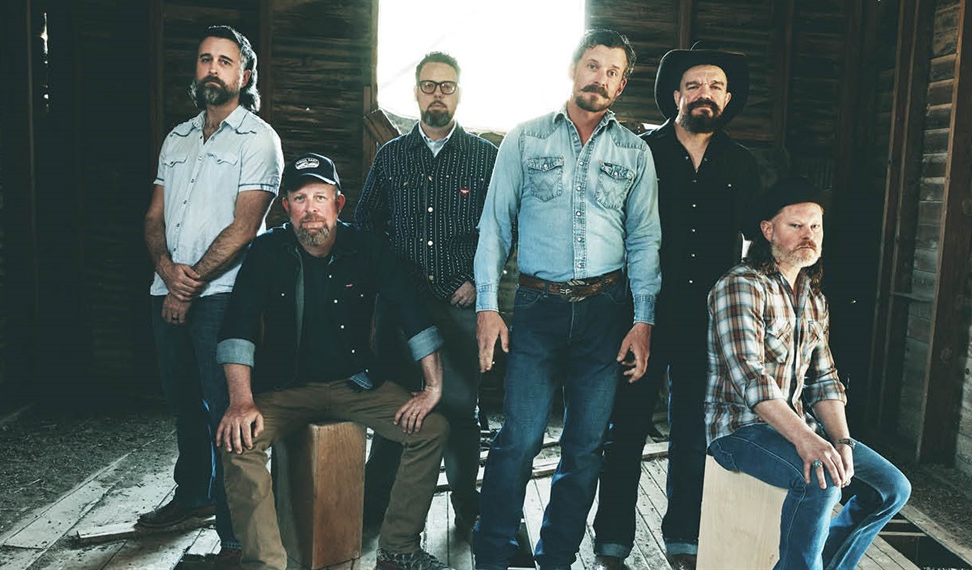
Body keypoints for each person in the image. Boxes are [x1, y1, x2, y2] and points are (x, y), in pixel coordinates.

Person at [472, 29, 661, 570]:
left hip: (607, 313)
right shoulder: (526, 139)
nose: (599, 77)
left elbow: (646, 239)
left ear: (621, 85)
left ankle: (557, 556)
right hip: (537, 309)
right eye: (592, 64)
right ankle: (492, 552)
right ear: (574, 68)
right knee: (520, 438)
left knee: (584, 447)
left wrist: (642, 321)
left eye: (611, 71)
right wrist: (488, 307)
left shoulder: (635, 153)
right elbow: (495, 227)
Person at [215, 153, 452, 570]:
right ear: (285, 206)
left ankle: (398, 547)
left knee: (432, 429)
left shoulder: (367, 247)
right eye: (300, 198)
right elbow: (239, 327)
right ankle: (268, 563)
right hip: (285, 389)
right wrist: (240, 400)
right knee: (238, 442)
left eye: (320, 197)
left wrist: (432, 387)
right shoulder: (266, 251)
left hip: (355, 385)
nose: (311, 209)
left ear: (338, 204)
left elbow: (412, 314)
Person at [592, 46, 762, 570]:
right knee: (625, 431)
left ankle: (684, 540)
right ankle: (612, 544)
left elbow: (756, 240)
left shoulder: (741, 162)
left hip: (706, 322)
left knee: (693, 433)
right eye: (693, 85)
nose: (703, 94)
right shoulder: (641, 152)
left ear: (727, 98)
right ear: (675, 95)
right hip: (640, 315)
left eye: (714, 86)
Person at [704, 177, 911, 569]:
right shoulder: (741, 286)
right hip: (739, 430)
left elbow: (824, 380)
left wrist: (842, 441)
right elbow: (751, 378)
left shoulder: (814, 298)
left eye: (815, 226)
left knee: (891, 489)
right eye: (795, 226)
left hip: (796, 427)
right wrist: (809, 442)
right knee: (820, 477)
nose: (808, 236)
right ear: (768, 231)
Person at [141, 24, 282, 568]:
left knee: (226, 411)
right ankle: (191, 494)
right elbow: (154, 217)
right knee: (182, 403)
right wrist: (166, 271)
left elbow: (246, 226)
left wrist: (190, 281)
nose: (212, 69)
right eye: (205, 60)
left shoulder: (258, 139)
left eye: (225, 61)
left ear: (243, 76)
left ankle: (233, 528)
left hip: (221, 295)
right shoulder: (175, 139)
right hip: (166, 288)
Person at [355, 51, 498, 534]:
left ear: (459, 92)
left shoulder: (484, 157)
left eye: (448, 86)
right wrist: (386, 290)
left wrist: (478, 281)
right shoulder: (391, 157)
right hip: (401, 310)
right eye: (429, 85)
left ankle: (466, 508)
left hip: (459, 306)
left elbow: (503, 228)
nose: (438, 94)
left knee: (460, 410)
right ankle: (377, 509)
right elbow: (366, 229)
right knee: (398, 406)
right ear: (416, 91)